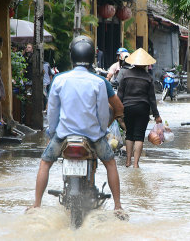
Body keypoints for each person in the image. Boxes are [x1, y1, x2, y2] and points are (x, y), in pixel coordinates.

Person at [31, 35, 123, 211]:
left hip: (63, 135)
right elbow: (103, 113)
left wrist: (52, 131)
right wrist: (101, 131)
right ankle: (118, 206)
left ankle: (36, 205)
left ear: (72, 56)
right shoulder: (99, 82)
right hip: (93, 136)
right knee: (110, 163)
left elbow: (52, 112)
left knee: (45, 163)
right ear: (91, 58)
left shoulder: (59, 80)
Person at [117, 48, 162, 168]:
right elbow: (152, 99)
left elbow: (119, 95)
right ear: (146, 64)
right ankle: (136, 164)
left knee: (129, 135)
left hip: (128, 108)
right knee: (139, 136)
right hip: (143, 109)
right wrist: (156, 115)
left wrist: (118, 111)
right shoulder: (148, 78)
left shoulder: (125, 75)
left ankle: (128, 161)